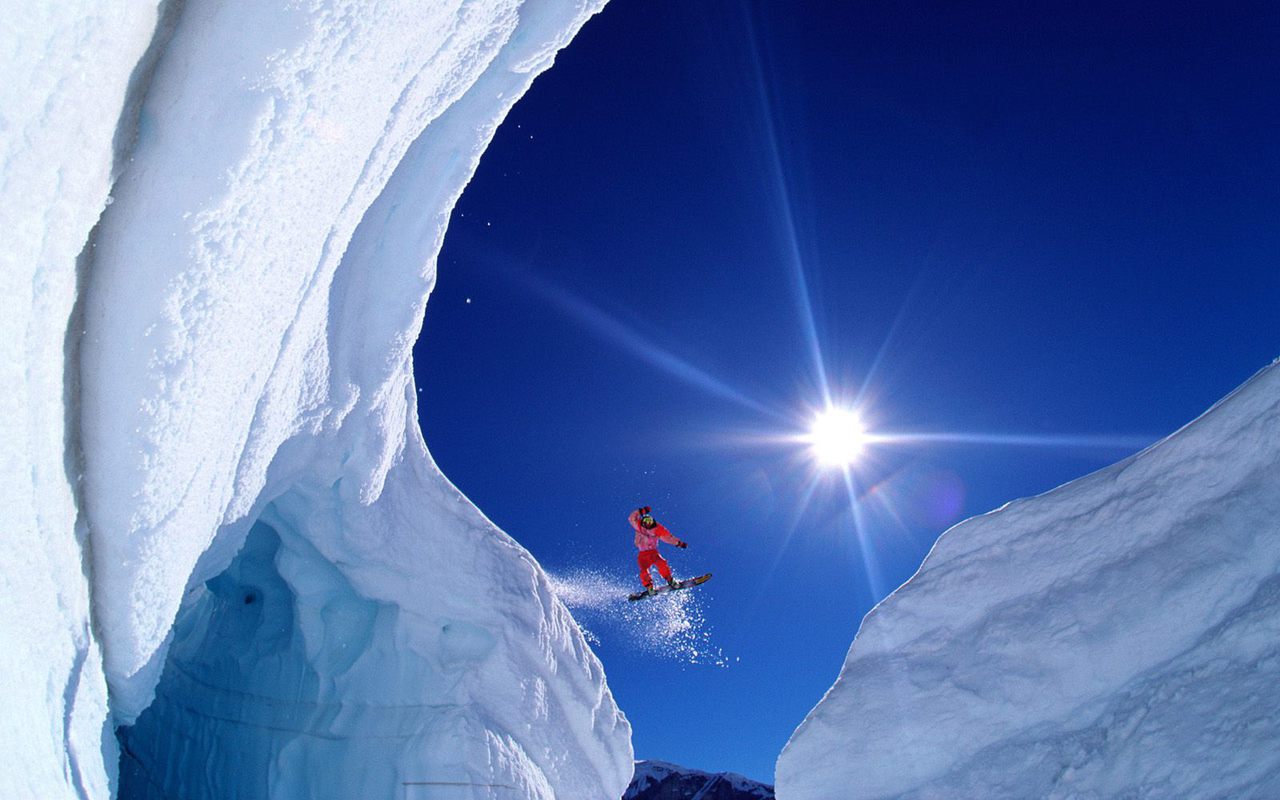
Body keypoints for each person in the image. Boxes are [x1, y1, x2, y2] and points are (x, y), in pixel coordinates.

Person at [629, 505, 687, 596]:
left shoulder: (657, 529)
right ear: (642, 522)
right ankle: (649, 587)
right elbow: (632, 517)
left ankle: (670, 580)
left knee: (661, 562)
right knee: (644, 570)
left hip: (653, 552)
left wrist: (679, 543)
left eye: (650, 521)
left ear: (653, 521)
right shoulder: (638, 526)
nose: (648, 523)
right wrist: (642, 511)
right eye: (646, 521)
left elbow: (668, 538)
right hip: (643, 554)